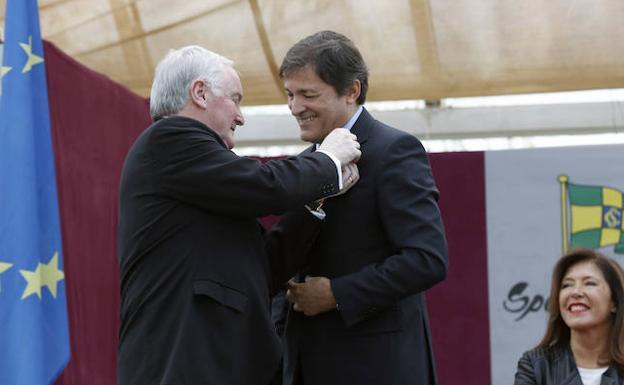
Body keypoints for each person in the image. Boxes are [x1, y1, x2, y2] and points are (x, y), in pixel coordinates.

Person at [117, 45, 362, 385]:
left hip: (225, 364)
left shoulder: (203, 177)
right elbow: (266, 185)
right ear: (200, 93)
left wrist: (312, 205)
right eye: (235, 99)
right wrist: (327, 161)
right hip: (186, 365)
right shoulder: (169, 139)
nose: (241, 117)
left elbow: (263, 269)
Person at [276, 31, 449, 385]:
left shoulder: (395, 151)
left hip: (376, 367)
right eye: (290, 95)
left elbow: (427, 259)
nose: (295, 108)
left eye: (309, 94)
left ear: (352, 91)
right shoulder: (306, 163)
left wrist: (336, 295)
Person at [514, 249, 624, 385]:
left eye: (589, 283)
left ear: (614, 302)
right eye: (567, 285)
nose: (575, 292)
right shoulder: (536, 366)